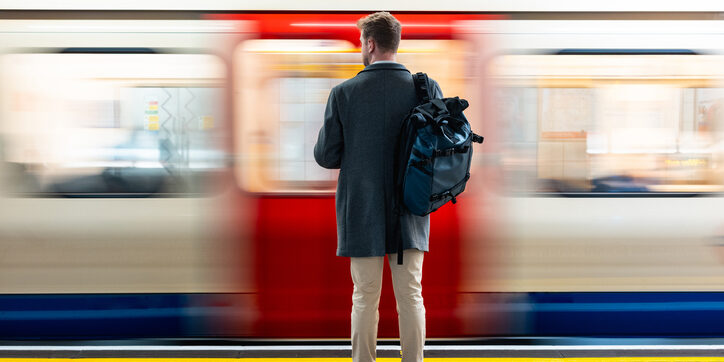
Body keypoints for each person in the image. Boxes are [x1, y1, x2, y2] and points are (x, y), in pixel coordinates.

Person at [314, 11, 442, 362]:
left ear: (369, 43)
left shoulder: (344, 93)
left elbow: (326, 156)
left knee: (364, 295)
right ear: (394, 43)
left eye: (361, 43)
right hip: (411, 212)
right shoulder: (425, 89)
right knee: (411, 296)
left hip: (362, 212)